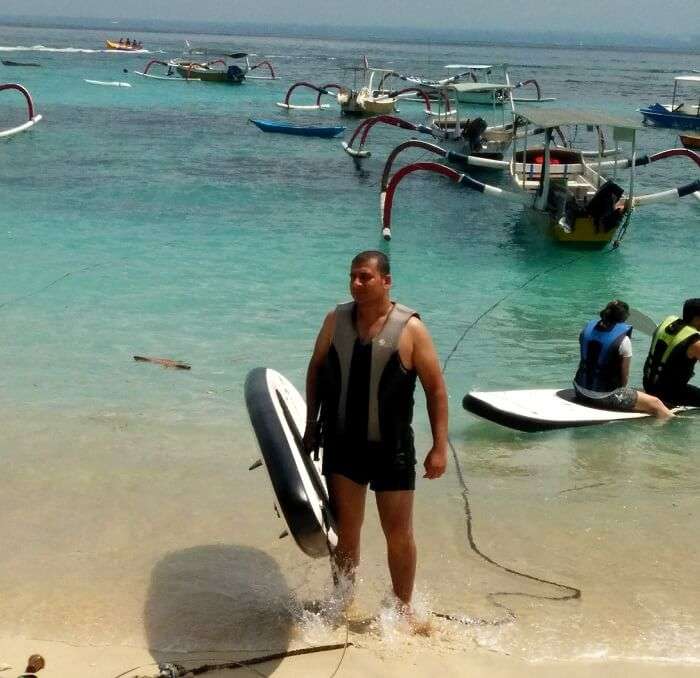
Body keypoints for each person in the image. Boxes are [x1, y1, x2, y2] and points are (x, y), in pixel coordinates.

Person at [303, 250, 448, 613]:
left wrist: (439, 448)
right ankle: (342, 602)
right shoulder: (335, 321)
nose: (356, 283)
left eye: (364, 277)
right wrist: (310, 426)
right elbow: (316, 370)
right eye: (352, 276)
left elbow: (436, 389)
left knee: (398, 537)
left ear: (386, 281)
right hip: (343, 447)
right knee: (346, 535)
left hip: (393, 450)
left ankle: (401, 609)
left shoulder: (410, 328)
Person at [574, 300, 671, 417]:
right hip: (604, 396)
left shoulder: (585, 331)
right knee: (656, 403)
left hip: (579, 390)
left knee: (640, 393)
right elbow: (624, 379)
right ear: (624, 318)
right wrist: (622, 396)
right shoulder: (624, 341)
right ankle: (676, 424)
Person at [643, 298, 700, 406]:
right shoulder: (695, 343)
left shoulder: (668, 325)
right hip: (670, 394)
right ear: (697, 319)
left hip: (648, 384)